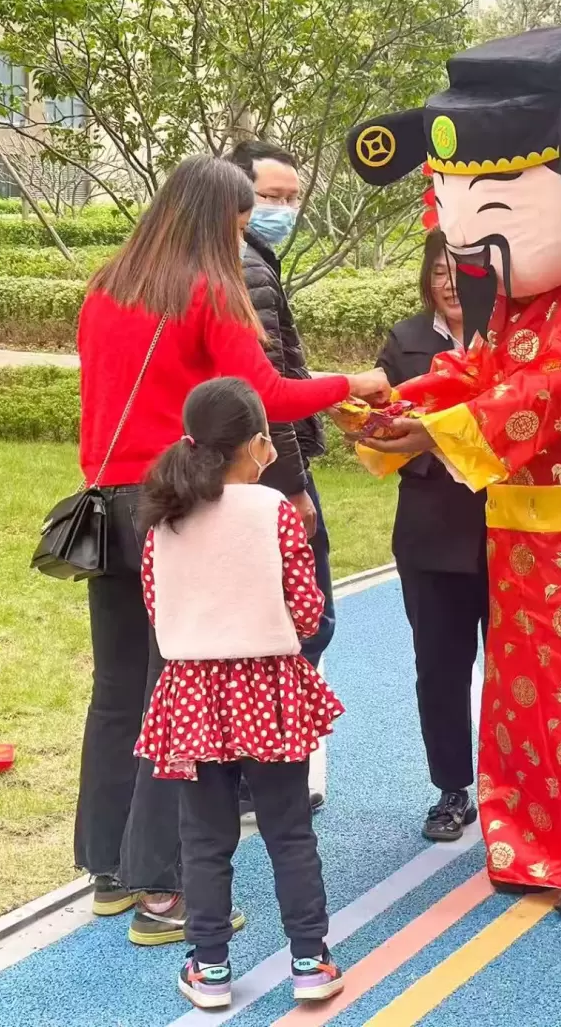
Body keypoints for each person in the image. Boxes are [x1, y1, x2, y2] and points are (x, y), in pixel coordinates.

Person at [347, 27, 561, 923]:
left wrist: (438, 430)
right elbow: (477, 368)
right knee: (528, 705)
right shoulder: (517, 295)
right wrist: (401, 406)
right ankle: (541, 842)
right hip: (524, 536)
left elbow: (556, 385)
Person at [75, 154, 388, 942]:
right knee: (171, 691)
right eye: (243, 225)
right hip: (173, 508)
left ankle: (109, 870)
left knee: (117, 691)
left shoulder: (107, 287)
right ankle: (163, 890)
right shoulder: (208, 292)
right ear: (220, 221)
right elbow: (266, 396)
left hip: (106, 506)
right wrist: (351, 383)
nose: (246, 239)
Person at [135, 377, 345, 1011]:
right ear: (257, 443)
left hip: (192, 693)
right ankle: (310, 959)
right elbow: (306, 609)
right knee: (289, 831)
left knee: (203, 838)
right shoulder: (273, 509)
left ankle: (210, 967)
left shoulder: (165, 514)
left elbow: (156, 606)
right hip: (268, 688)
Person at [225, 139, 332, 816]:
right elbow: (266, 394)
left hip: (256, 467)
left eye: (292, 198)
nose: (283, 209)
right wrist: (291, 485)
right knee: (304, 618)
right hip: (268, 470)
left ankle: (252, 768)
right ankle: (264, 771)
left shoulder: (253, 258)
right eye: (270, 197)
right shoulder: (246, 265)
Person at [376, 229, 487, 841]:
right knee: (440, 667)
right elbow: (388, 426)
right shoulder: (407, 340)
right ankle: (452, 788)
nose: (449, 283)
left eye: (462, 270)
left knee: (521, 670)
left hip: (510, 530)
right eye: (439, 271)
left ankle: (521, 786)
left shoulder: (514, 340)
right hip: (431, 529)